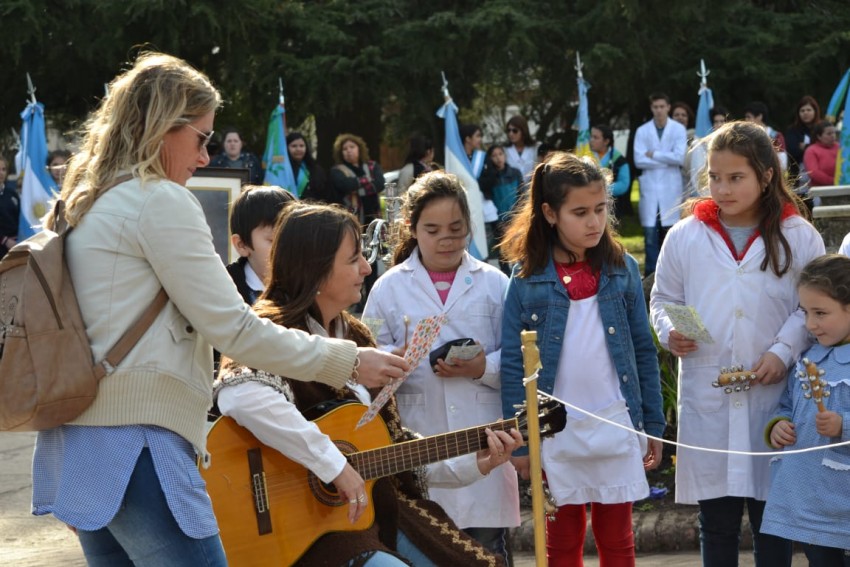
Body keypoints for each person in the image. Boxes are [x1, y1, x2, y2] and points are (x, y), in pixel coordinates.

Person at [29, 52, 408, 566]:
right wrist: (347, 360)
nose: (207, 157)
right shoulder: (158, 200)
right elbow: (235, 330)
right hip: (141, 447)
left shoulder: (84, 202)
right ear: (162, 127)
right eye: (202, 138)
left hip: (79, 450)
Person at [216, 201, 521, 566]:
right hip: (307, 536)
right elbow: (241, 396)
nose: (365, 268)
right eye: (353, 259)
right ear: (314, 269)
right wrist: (333, 466)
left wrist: (477, 461)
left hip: (375, 516)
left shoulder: (356, 334)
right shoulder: (268, 327)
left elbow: (392, 451)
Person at [650, 121, 825, 567]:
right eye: (714, 177)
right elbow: (664, 299)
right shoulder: (685, 235)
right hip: (709, 392)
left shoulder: (798, 235)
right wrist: (670, 330)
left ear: (766, 176)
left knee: (773, 519)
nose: (721, 189)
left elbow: (814, 307)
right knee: (718, 521)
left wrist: (782, 351)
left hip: (775, 396)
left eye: (735, 178)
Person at [499, 151, 664, 566]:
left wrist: (654, 425)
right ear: (551, 214)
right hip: (555, 431)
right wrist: (520, 442)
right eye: (580, 212)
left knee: (617, 537)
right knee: (561, 539)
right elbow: (514, 366)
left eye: (600, 209)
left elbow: (643, 350)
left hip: (615, 420)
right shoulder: (525, 278)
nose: (594, 222)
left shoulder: (621, 267)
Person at [362, 171, 521, 563]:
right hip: (422, 446)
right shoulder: (388, 288)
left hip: (483, 444)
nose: (446, 239)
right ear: (412, 229)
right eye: (433, 230)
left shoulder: (494, 284)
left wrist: (481, 368)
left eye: (456, 228)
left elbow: (518, 362)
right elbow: (364, 353)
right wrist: (389, 363)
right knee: (426, 550)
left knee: (486, 552)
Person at [761, 254, 850, 566]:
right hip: (810, 501)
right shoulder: (808, 357)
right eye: (807, 312)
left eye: (821, 313)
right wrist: (778, 425)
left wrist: (844, 425)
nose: (811, 324)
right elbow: (787, 404)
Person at [633, 92, 688, 276]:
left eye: (662, 107)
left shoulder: (678, 129)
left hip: (671, 187)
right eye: (655, 107)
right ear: (651, 108)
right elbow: (638, 160)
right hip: (650, 186)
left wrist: (654, 154)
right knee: (650, 235)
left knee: (670, 233)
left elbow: (679, 157)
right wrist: (666, 157)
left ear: (668, 107)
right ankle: (650, 275)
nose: (659, 110)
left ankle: (671, 275)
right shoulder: (642, 131)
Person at [227, 185, 295, 305]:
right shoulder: (225, 289)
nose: (286, 248)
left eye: (293, 240)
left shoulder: (307, 289)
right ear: (241, 245)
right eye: (273, 240)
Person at [479, 144, 524, 273]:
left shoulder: (515, 173)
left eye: (500, 154)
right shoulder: (489, 178)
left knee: (519, 249)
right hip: (498, 220)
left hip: (516, 218)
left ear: (504, 155)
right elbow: (489, 202)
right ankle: (506, 278)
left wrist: (516, 218)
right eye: (494, 155)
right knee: (503, 253)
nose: (498, 158)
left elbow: (522, 196)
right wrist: (500, 222)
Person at [329, 133, 386, 225]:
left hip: (374, 213)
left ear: (359, 148)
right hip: (352, 216)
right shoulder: (337, 170)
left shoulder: (372, 166)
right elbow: (346, 186)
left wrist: (356, 187)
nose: (349, 150)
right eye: (345, 149)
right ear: (341, 153)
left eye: (352, 147)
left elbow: (380, 184)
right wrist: (368, 180)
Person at [684, 105, 729, 197]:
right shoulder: (702, 144)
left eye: (722, 121)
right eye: (716, 122)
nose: (719, 125)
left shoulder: (733, 142)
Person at [590, 124, 631, 217]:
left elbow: (624, 184)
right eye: (591, 136)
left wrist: (600, 188)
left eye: (595, 137)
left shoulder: (619, 160)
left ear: (606, 141)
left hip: (611, 208)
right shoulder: (585, 157)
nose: (591, 140)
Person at [785, 95, 822, 194]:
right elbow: (793, 151)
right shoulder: (792, 131)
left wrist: (805, 147)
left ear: (815, 111)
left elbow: (825, 149)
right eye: (802, 110)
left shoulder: (822, 128)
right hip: (799, 178)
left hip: (821, 176)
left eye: (809, 110)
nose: (806, 113)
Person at [744, 101, 788, 172]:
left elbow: (783, 165)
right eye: (745, 117)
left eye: (748, 117)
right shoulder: (745, 136)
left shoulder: (776, 136)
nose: (746, 120)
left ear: (759, 116)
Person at [286, 132, 329, 201]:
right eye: (294, 146)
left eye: (302, 146)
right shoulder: (283, 170)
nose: (298, 149)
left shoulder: (316, 169)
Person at [803, 120, 839, 188]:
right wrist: (834, 181)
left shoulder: (840, 147)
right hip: (820, 191)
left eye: (834, 133)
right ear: (819, 136)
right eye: (829, 134)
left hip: (843, 187)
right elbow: (813, 172)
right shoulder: (811, 150)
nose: (833, 136)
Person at [505, 115, 537, 180]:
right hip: (512, 188)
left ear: (523, 131)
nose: (511, 134)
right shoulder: (504, 150)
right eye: (509, 130)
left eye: (515, 131)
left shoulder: (535, 148)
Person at [0, 155, 19, 257]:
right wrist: (5, 240)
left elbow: (19, 218)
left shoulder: (12, 194)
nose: (1, 173)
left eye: (3, 169)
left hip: (15, 246)